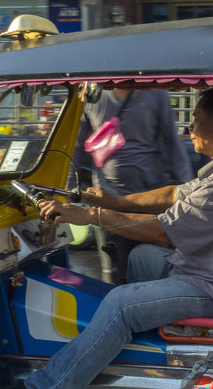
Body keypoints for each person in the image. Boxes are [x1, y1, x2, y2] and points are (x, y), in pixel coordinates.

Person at [0, 87, 213, 389]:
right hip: (210, 271)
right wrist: (113, 201)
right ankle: (114, 351)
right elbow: (173, 193)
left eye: (196, 120)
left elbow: (162, 229)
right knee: (141, 257)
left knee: (120, 304)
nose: (190, 128)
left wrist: (90, 215)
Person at [73, 86, 194, 284]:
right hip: (107, 202)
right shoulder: (92, 94)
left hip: (148, 204)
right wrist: (69, 188)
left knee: (155, 275)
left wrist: (187, 195)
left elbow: (174, 144)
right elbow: (77, 150)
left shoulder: (156, 92)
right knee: (112, 276)